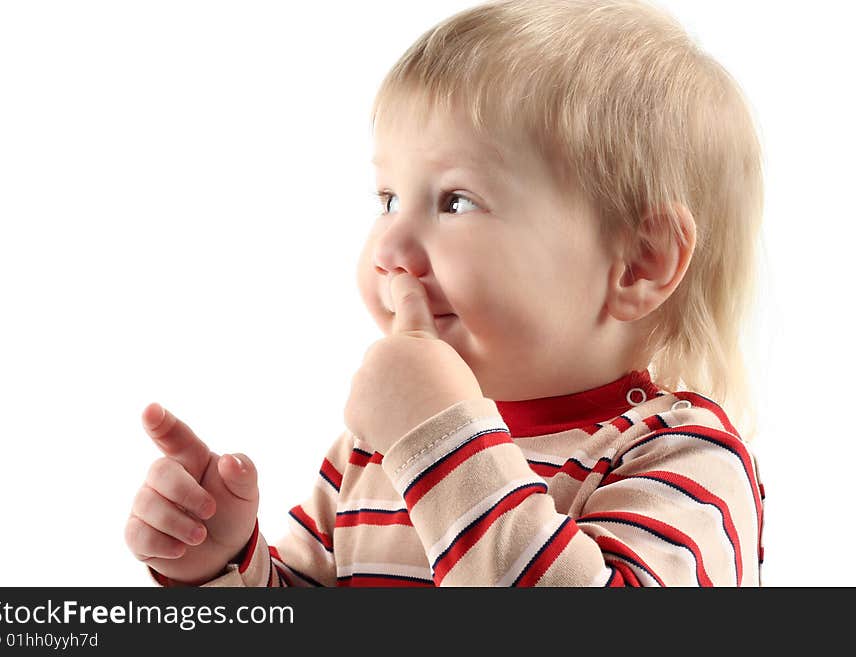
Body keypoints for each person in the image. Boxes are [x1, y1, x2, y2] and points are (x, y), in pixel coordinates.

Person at [125, 0, 766, 587]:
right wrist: (221, 566)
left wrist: (440, 441)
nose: (388, 251)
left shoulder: (684, 459)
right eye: (388, 200)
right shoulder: (375, 451)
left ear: (638, 263)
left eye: (456, 201)